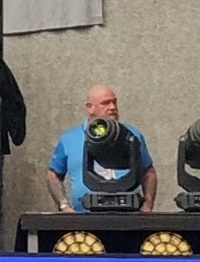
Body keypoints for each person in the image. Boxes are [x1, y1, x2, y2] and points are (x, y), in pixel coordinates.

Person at [47, 84, 156, 213]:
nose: (113, 107)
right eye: (105, 103)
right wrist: (64, 205)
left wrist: (148, 205)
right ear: (90, 107)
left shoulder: (132, 134)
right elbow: (53, 174)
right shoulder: (70, 138)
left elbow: (148, 171)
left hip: (129, 218)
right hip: (84, 220)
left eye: (114, 102)